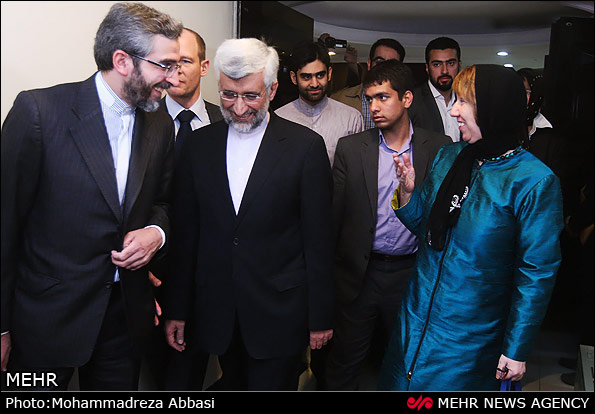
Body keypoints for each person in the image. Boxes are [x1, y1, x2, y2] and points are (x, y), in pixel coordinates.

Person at [1, 2, 183, 390]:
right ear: (122, 61)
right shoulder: (39, 112)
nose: (173, 77)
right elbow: (5, 224)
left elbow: (165, 203)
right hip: (45, 320)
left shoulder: (160, 123)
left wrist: (156, 233)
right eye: (165, 65)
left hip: (125, 319)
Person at [378, 64, 564, 391]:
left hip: (469, 340)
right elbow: (425, 228)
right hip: (414, 323)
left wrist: (516, 348)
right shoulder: (449, 157)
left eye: (464, 101)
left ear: (494, 108)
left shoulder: (533, 182)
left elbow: (536, 274)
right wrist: (408, 193)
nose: (454, 111)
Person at [163, 38, 334, 391]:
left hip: (280, 312)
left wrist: (320, 317)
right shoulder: (199, 145)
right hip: (217, 312)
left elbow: (318, 240)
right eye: (229, 95)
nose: (239, 107)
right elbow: (187, 235)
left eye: (251, 96)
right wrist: (177, 309)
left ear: (272, 89)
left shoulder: (304, 147)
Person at [326, 60, 450, 390]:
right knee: (344, 363)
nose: (374, 107)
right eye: (370, 99)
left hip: (410, 274)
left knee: (408, 363)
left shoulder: (438, 148)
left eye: (383, 97)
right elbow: (335, 218)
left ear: (406, 98)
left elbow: (442, 218)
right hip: (360, 275)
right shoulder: (352, 149)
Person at [147, 27, 223, 391]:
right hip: (153, 275)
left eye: (185, 62)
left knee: (192, 377)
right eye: (168, 63)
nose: (174, 72)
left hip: (210, 279)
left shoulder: (227, 122)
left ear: (204, 67)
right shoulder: (142, 120)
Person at [275, 40, 363, 165]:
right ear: (294, 78)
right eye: (306, 77)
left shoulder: (351, 118)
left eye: (320, 75)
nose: (314, 84)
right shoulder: (279, 118)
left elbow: (356, 168)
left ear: (329, 74)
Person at [332, 38, 406, 130]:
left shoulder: (409, 103)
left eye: (391, 65)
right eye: (379, 62)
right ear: (369, 63)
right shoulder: (340, 100)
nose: (384, 68)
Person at [408, 37, 462, 142]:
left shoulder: (469, 99)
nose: (444, 71)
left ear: (459, 65)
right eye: (437, 64)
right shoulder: (412, 101)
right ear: (427, 68)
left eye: (451, 63)